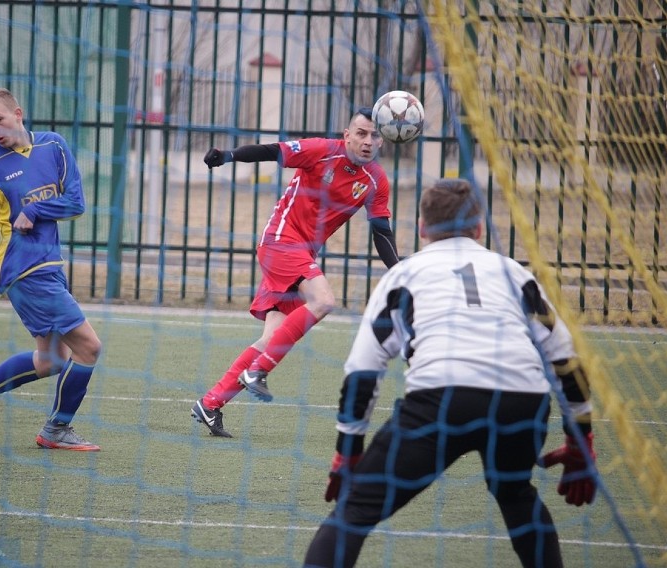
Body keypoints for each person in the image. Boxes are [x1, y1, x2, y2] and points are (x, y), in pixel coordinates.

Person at [304, 178, 598, 567]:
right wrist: (582, 438)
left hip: (441, 401)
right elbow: (565, 357)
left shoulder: (403, 275)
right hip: (521, 402)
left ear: (422, 229)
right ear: (479, 229)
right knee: (515, 494)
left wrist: (348, 454)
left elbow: (363, 368)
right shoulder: (514, 273)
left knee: (355, 511)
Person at [192, 108, 401, 438]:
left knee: (271, 337)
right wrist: (228, 156)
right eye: (361, 133)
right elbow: (272, 151)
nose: (367, 140)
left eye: (374, 135)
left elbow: (381, 231)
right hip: (279, 240)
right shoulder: (322, 150)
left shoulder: (376, 180)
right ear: (347, 135)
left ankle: (211, 402)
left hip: (301, 253)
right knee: (324, 301)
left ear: (383, 140)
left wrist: (401, 271)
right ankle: (257, 371)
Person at [0, 88, 102, 451]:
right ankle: (56, 429)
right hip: (24, 270)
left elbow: (76, 202)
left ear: (18, 114)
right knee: (89, 347)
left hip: (50, 266)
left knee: (50, 360)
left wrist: (35, 210)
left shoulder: (53, 146)